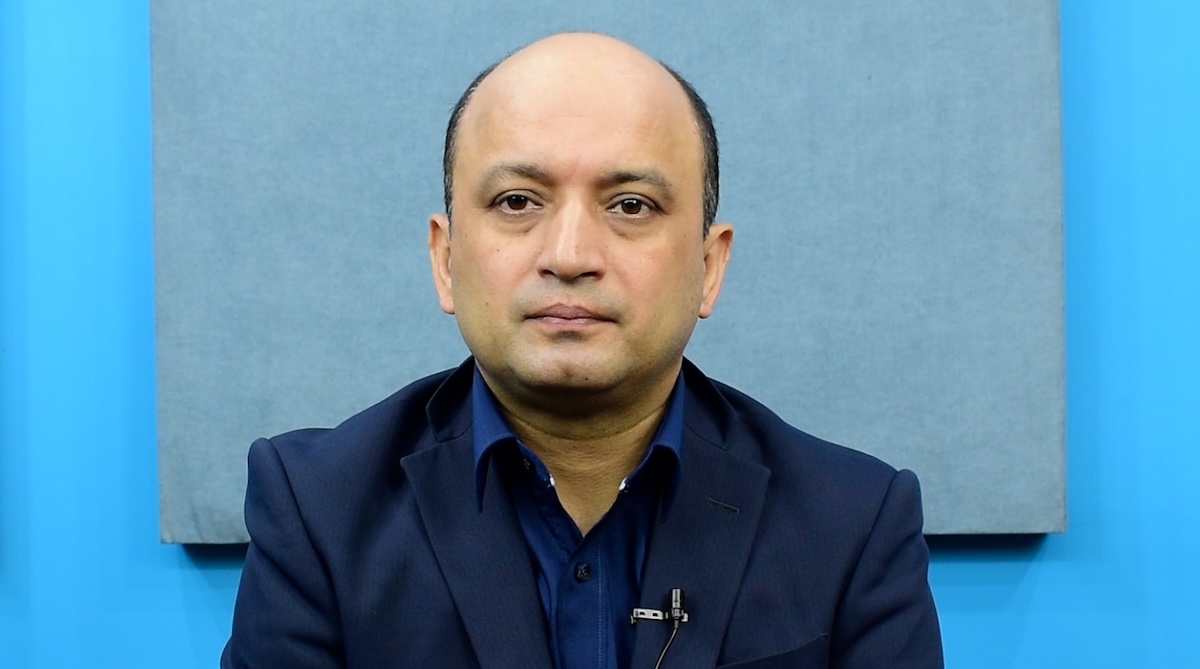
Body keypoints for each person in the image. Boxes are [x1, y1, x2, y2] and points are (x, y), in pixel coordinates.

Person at [221, 32, 943, 669]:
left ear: (709, 265)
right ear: (445, 258)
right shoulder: (318, 512)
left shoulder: (853, 525)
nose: (569, 256)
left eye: (630, 205)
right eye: (517, 201)